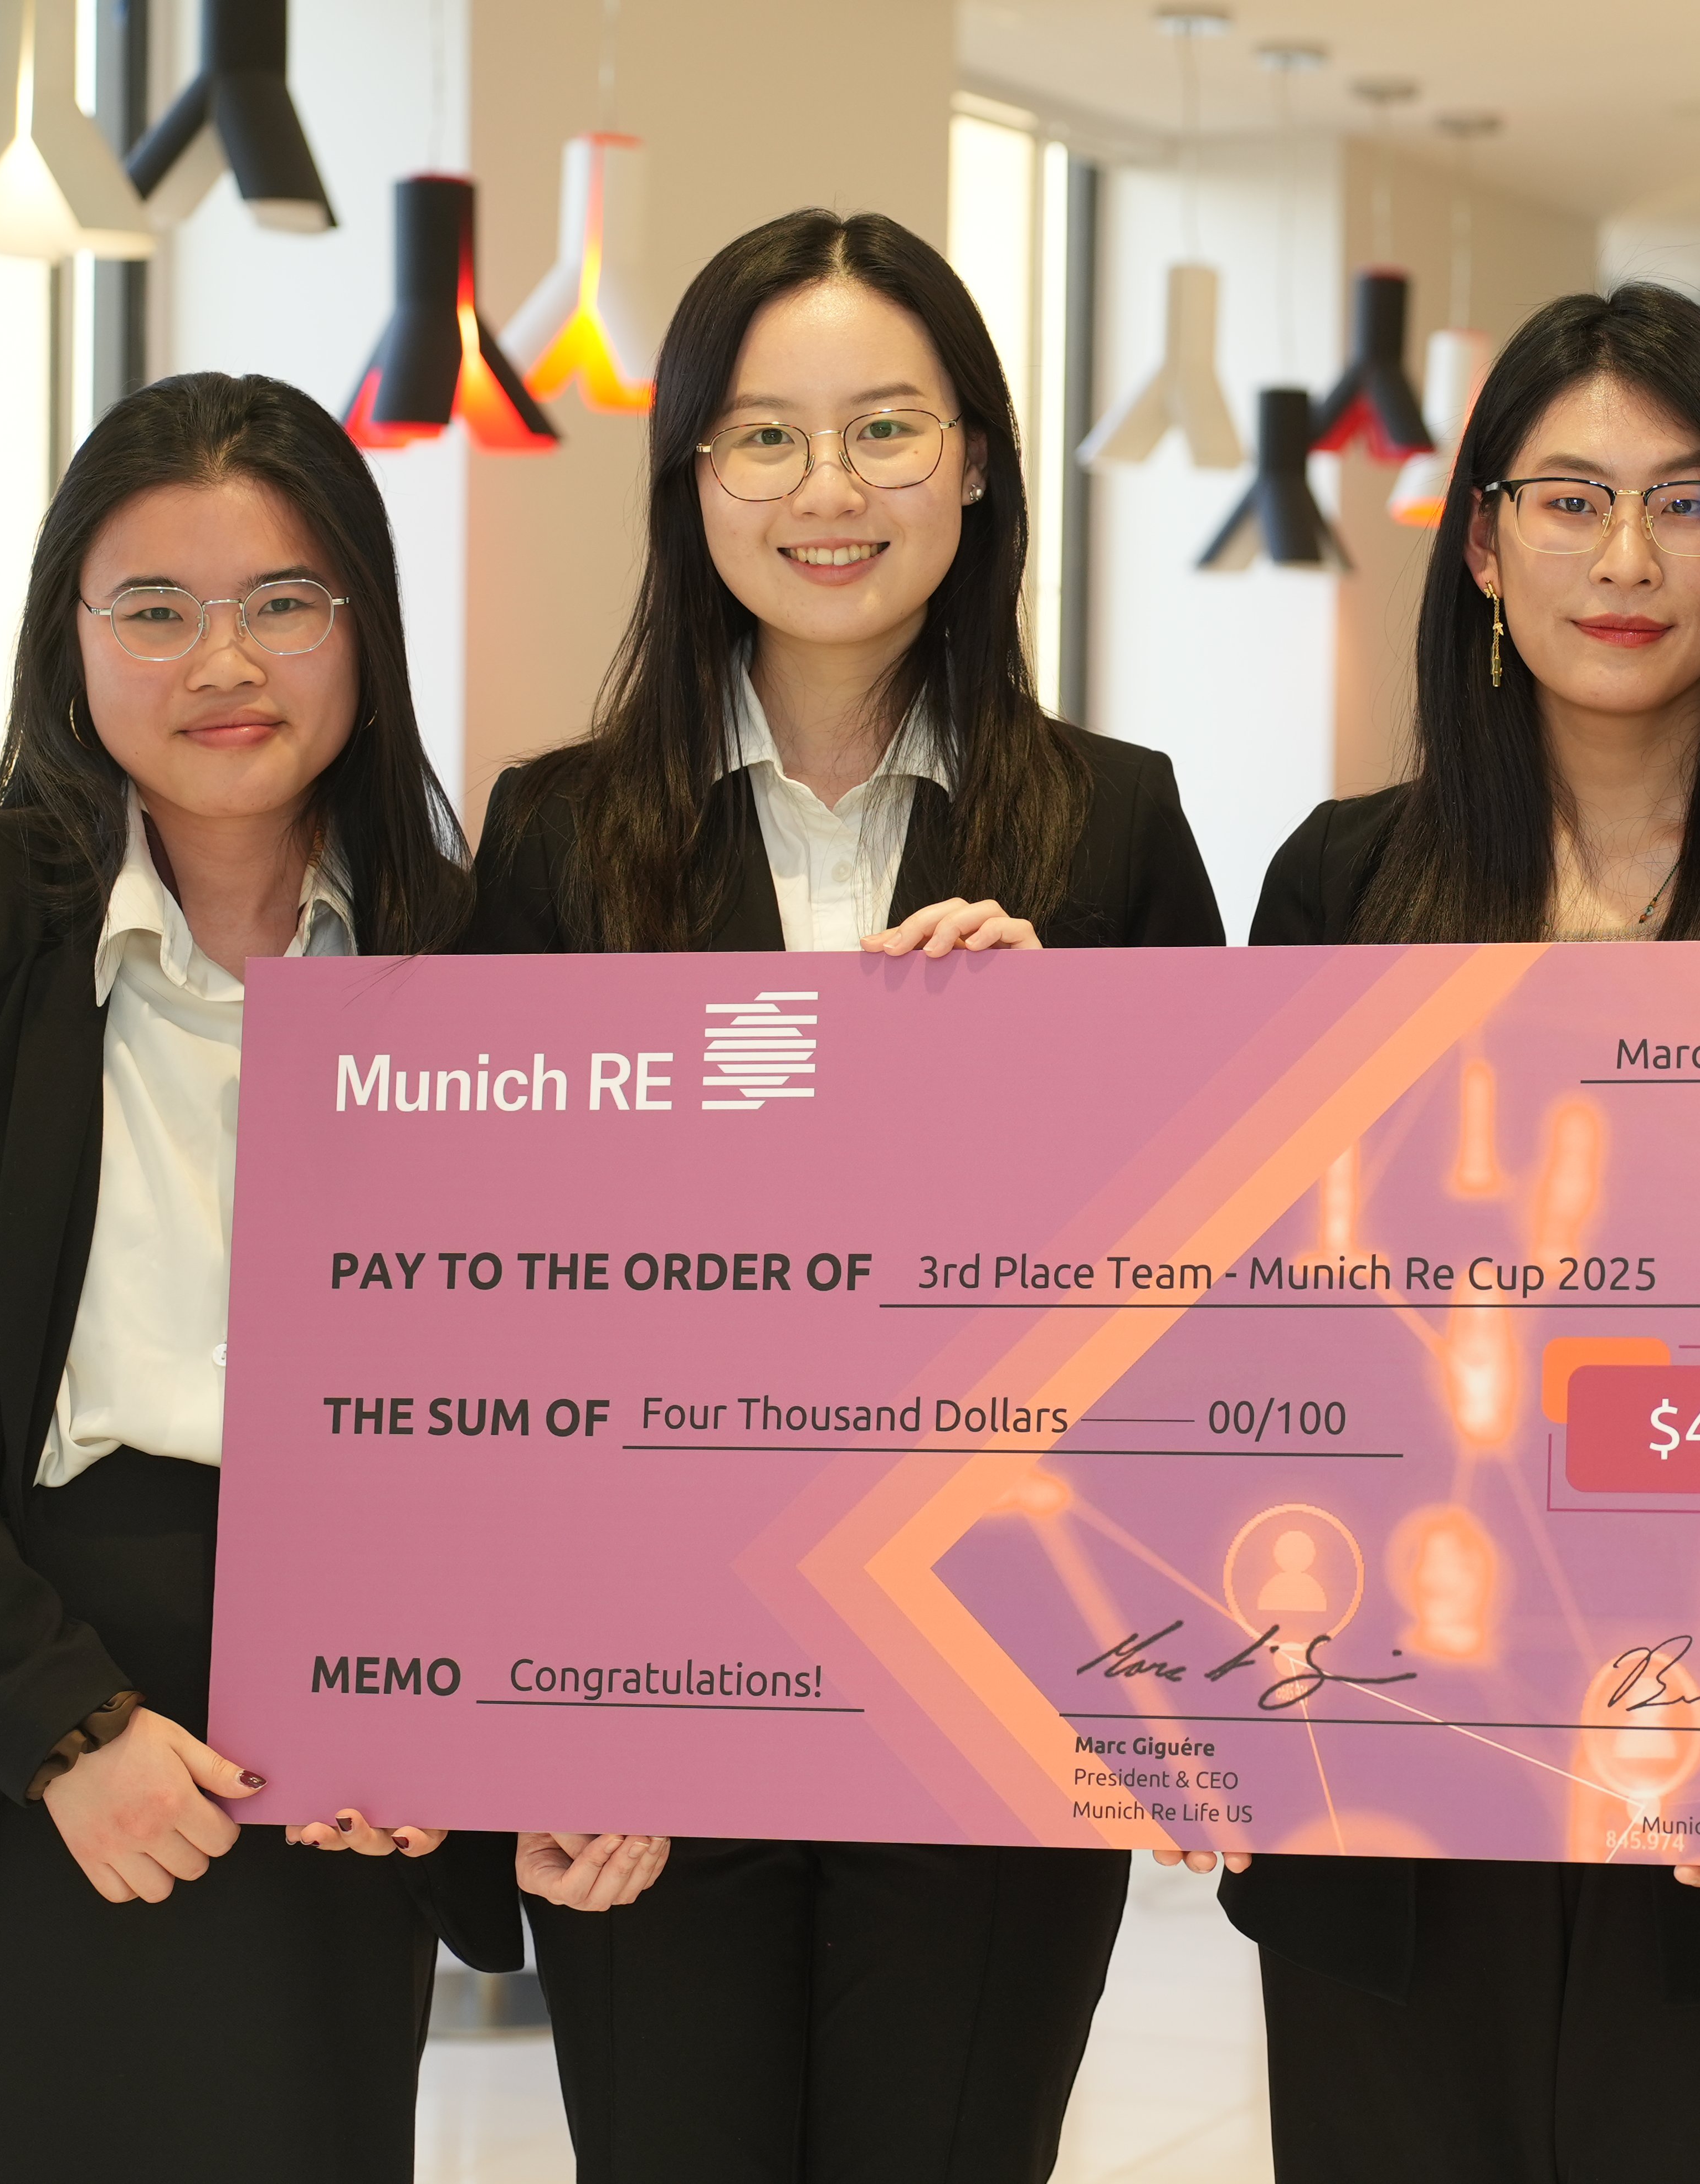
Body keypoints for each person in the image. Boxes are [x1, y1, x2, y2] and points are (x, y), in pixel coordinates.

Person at [0, 372, 659, 2183]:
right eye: (155, 609)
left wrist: (457, 1707)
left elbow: (564, 1379)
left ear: (364, 629)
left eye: (284, 604)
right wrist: (61, 1729)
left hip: (333, 1726)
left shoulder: (476, 960)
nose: (225, 662)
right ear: (69, 640)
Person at [466, 208, 1221, 2181]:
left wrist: (1071, 1072)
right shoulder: (555, 836)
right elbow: (485, 1303)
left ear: (976, 456)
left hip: (987, 1692)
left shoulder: (1113, 826)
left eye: (887, 429)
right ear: (691, 477)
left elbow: (1230, 1277)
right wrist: (535, 1710)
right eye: (766, 437)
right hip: (645, 1704)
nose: (831, 490)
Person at [1224, 281, 1700, 2183]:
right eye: (1567, 499)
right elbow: (1251, 1345)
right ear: (1481, 547)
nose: (1625, 556)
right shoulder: (1338, 887)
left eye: (1687, 500)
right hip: (1388, 1787)